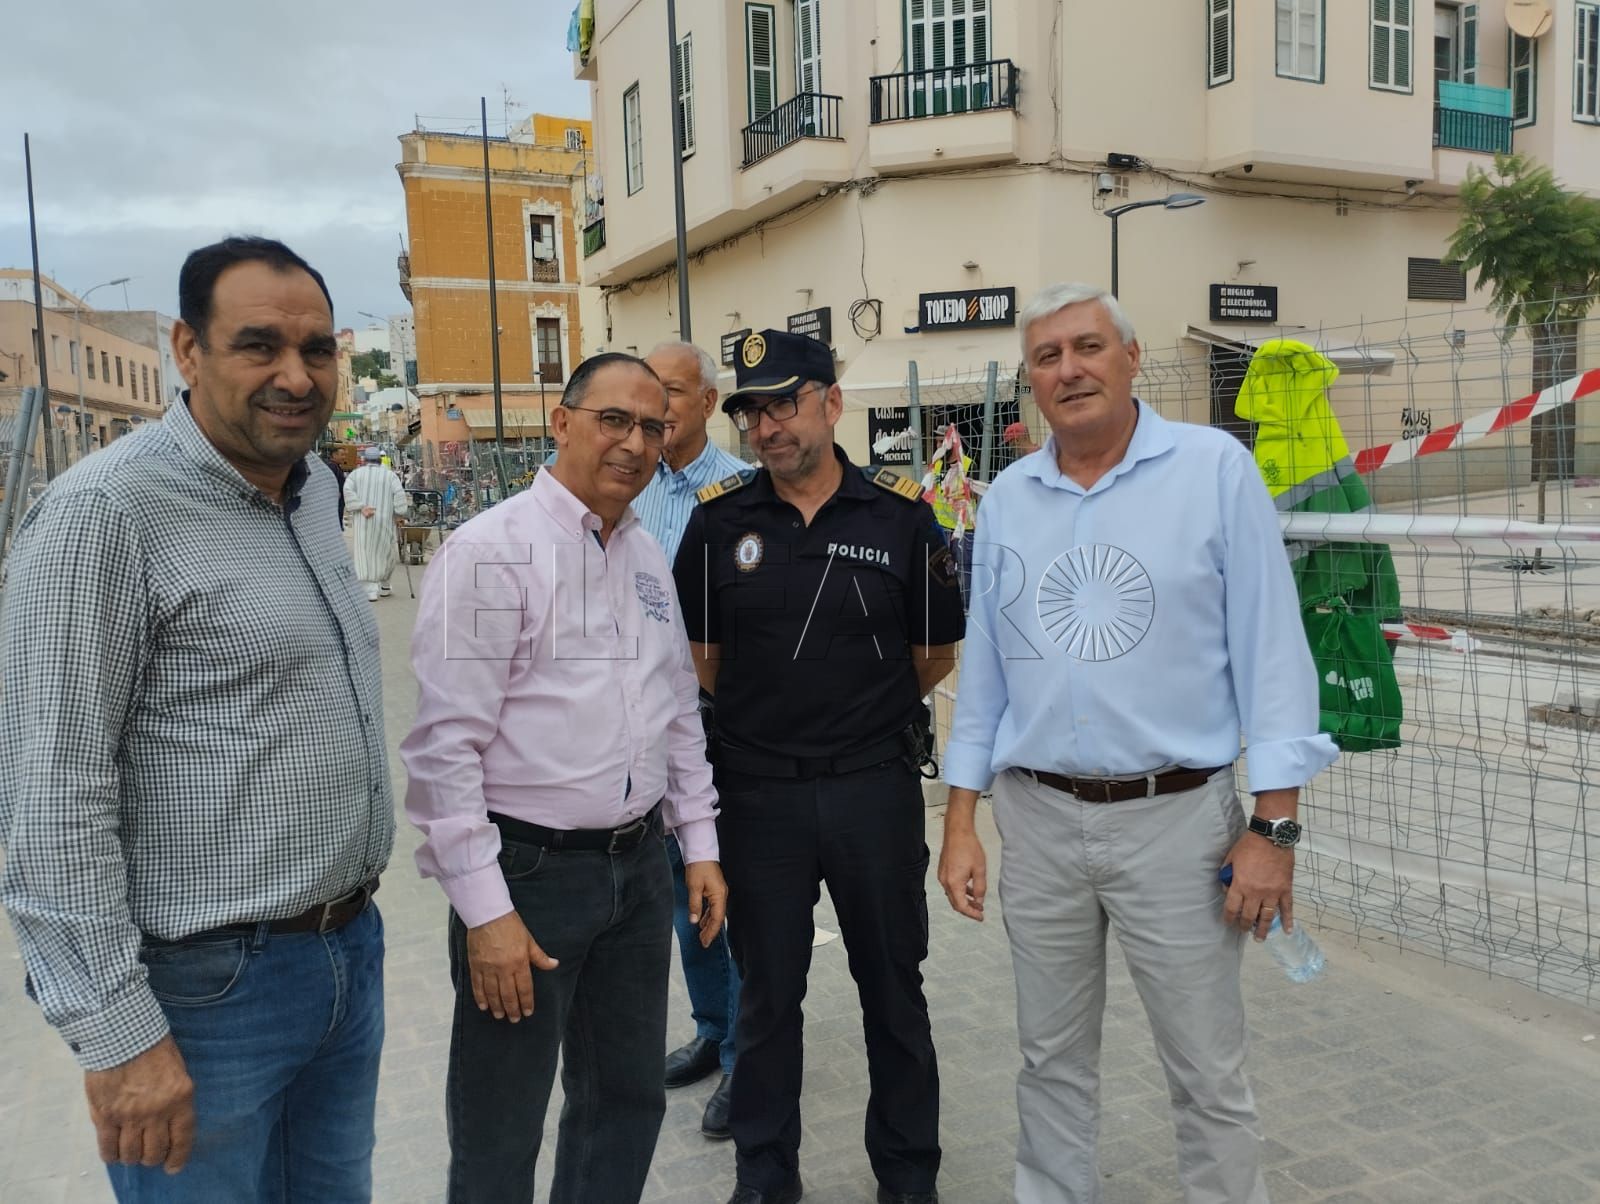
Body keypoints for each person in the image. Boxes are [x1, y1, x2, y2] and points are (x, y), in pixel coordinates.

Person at [0, 235, 394, 1202]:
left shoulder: (308, 496)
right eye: (258, 346)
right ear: (187, 349)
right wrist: (119, 1037)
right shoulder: (104, 514)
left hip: (347, 956)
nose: (295, 377)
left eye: (316, 351)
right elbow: (50, 800)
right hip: (205, 998)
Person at [936, 283, 1339, 1204]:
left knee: (1205, 1069)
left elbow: (1274, 654)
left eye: (1087, 347)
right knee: (1049, 1059)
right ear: (1030, 382)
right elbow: (990, 673)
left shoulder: (1211, 471)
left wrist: (1274, 832)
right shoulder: (1007, 502)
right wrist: (962, 822)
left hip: (1181, 824)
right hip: (1037, 823)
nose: (1069, 369)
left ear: (1131, 357)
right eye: (1047, 356)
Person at [402, 351, 729, 1204]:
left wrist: (698, 843)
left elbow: (676, 714)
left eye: (651, 427)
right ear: (561, 421)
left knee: (624, 1102)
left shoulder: (646, 558)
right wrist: (486, 915)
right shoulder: (488, 555)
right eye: (611, 420)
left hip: (635, 874)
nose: (633, 443)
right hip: (528, 880)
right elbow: (443, 754)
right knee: (501, 1122)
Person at [673, 329, 965, 1204]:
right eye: (751, 410)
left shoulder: (903, 516)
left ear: (832, 403)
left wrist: (853, 719)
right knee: (766, 1002)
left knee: (893, 994)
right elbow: (704, 661)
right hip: (756, 799)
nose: (766, 426)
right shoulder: (718, 523)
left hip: (873, 789)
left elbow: (934, 653)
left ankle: (909, 1179)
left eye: (783, 403)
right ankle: (766, 1179)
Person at [637, 340, 750, 1138]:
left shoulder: (745, 491)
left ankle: (752, 1055)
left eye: (671, 393)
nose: (657, 408)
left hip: (724, 722)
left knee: (729, 889)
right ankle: (713, 1028)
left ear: (708, 402)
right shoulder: (624, 483)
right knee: (681, 894)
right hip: (644, 723)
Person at [345, 446, 409, 600]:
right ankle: (384, 585)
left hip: (364, 519)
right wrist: (399, 513)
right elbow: (399, 494)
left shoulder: (355, 474)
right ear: (380, 460)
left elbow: (347, 491)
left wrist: (361, 506)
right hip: (384, 520)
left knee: (365, 554)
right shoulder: (390, 475)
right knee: (386, 552)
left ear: (364, 460)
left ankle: (370, 590)